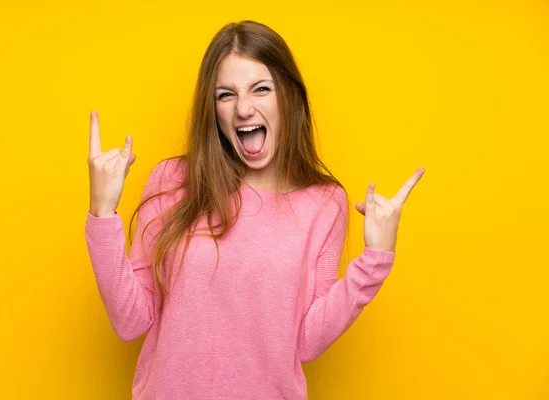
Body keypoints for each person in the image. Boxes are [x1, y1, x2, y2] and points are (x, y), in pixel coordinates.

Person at [85, 20, 424, 400]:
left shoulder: (325, 202)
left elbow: (306, 343)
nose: (244, 108)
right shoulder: (173, 180)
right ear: (212, 110)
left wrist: (374, 262)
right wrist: (102, 213)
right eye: (225, 95)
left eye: (261, 89)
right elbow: (131, 321)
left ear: (288, 96)